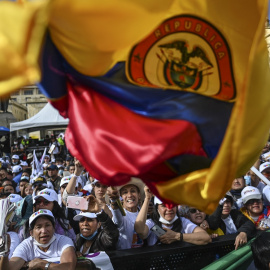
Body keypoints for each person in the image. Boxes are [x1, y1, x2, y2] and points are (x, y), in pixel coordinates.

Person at [0, 209, 77, 270]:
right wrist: (5, 254)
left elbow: (69, 267)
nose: (43, 231)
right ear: (31, 233)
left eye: (47, 225)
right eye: (38, 227)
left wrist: (41, 264)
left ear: (54, 228)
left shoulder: (64, 241)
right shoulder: (26, 245)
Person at [135, 186, 211, 246]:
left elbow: (206, 238)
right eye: (164, 206)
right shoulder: (152, 223)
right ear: (157, 208)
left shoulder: (183, 221)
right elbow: (139, 230)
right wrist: (147, 198)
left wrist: (176, 236)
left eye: (172, 205)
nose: (169, 209)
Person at [107, 177, 146, 249]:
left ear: (139, 195)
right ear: (121, 197)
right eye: (125, 192)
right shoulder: (121, 214)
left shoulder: (145, 213)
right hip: (124, 258)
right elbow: (117, 218)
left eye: (133, 191)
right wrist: (114, 202)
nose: (130, 195)